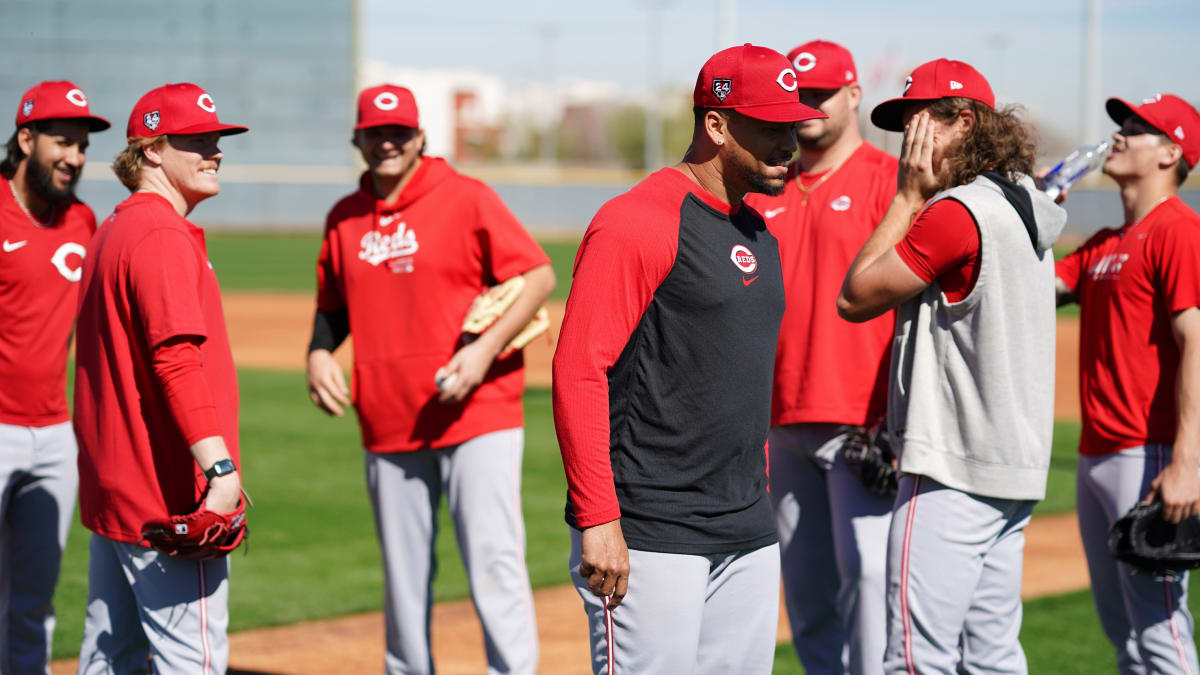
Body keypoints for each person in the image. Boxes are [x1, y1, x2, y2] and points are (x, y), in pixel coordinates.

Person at [553, 43, 826, 674]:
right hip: (650, 529)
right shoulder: (637, 221)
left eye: (794, 125)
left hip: (747, 525)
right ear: (717, 125)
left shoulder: (757, 229)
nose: (791, 142)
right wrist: (598, 519)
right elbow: (578, 368)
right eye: (772, 128)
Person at [306, 84, 553, 675]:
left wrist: (484, 351)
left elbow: (538, 276)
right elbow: (332, 307)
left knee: (495, 564)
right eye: (375, 133)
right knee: (403, 575)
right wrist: (318, 353)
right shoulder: (344, 218)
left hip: (480, 412)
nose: (387, 143)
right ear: (357, 139)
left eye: (399, 133)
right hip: (389, 416)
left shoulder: (466, 198)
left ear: (420, 137)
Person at [836, 59, 1066, 673]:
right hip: (1012, 472)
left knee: (916, 659)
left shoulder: (955, 213)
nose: (908, 143)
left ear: (964, 122)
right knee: (992, 659)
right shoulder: (1027, 206)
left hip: (951, 472)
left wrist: (908, 195)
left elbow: (854, 296)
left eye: (919, 125)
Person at [73, 82, 248, 674]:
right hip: (167, 496)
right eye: (197, 139)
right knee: (190, 663)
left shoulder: (111, 230)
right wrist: (218, 470)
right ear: (151, 149)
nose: (215, 150)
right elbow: (176, 361)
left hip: (117, 492)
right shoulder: (160, 234)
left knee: (111, 657)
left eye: (216, 139)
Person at [746, 40, 898, 675]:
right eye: (796, 96)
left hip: (863, 416)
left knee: (867, 584)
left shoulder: (892, 183)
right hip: (777, 419)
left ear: (853, 96)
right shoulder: (762, 189)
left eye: (819, 94)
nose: (805, 106)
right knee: (806, 596)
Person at [1055, 93, 1200, 674]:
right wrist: (1031, 209)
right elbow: (1032, 288)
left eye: (1138, 127)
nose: (1120, 134)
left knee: (1161, 635)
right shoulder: (1107, 241)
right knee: (1126, 638)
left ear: (1171, 152)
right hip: (1097, 452)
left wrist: (1187, 461)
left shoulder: (1180, 230)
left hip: (1152, 452)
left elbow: (1196, 344)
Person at [0, 79, 108, 674]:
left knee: (35, 601)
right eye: (62, 142)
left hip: (55, 437)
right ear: (26, 138)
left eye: (82, 145)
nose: (74, 157)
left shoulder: (83, 220)